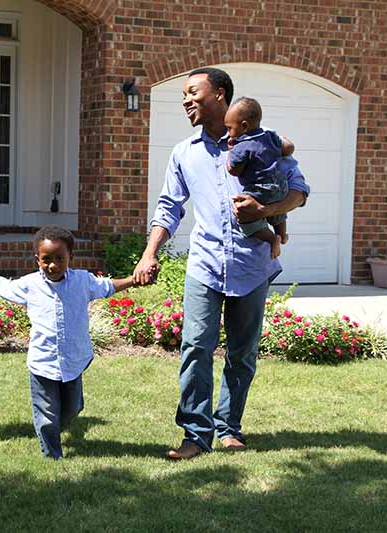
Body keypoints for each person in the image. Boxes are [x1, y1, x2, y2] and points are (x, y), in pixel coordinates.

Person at [133, 67, 310, 460]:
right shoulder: (185, 152)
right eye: (183, 94)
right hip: (206, 263)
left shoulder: (263, 143)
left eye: (193, 92)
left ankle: (230, 427)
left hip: (252, 263)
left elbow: (299, 190)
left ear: (220, 95)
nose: (185, 100)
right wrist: (150, 252)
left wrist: (267, 209)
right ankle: (196, 434)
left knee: (242, 352)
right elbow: (169, 208)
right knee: (196, 346)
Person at [0, 225, 134, 459]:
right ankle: (52, 455)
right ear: (37, 259)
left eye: (59, 259)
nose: (52, 265)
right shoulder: (30, 285)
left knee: (73, 409)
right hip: (42, 362)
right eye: (46, 260)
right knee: (47, 415)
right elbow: (4, 287)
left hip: (73, 360)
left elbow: (107, 287)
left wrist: (134, 280)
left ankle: (58, 427)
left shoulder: (83, 281)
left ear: (70, 257)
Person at [224, 96, 295, 259]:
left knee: (244, 214)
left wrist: (230, 152)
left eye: (229, 128)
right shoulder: (269, 136)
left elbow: (233, 170)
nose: (229, 133)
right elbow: (289, 147)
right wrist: (281, 144)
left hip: (260, 190)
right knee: (278, 213)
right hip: (281, 185)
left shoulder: (241, 146)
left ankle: (272, 238)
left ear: (244, 126)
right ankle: (282, 233)